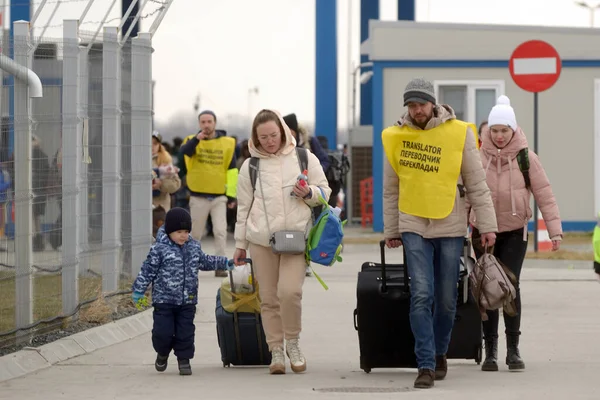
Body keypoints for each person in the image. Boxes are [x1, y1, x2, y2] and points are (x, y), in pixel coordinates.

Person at [382, 78, 498, 389]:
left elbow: (476, 182)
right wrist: (392, 228)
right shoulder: (397, 137)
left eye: (421, 104)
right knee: (422, 294)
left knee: (446, 299)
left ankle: (440, 351)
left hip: (450, 222)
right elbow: (391, 189)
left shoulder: (459, 133)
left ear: (433, 103)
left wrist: (486, 225)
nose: (416, 110)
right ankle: (425, 364)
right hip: (413, 224)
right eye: (411, 105)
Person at [232, 109, 331, 375]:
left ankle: (293, 343)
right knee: (268, 298)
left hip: (296, 240)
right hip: (261, 241)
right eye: (263, 137)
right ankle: (276, 348)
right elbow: (243, 207)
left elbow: (325, 193)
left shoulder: (303, 157)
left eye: (274, 135)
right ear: (256, 137)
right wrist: (240, 245)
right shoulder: (250, 166)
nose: (269, 141)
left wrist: (309, 192)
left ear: (284, 132)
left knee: (290, 292)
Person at [470, 95, 562, 372]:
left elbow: (545, 194)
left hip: (514, 231)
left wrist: (555, 231)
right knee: (485, 288)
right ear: (488, 131)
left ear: (513, 130)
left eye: (504, 130)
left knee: (510, 287)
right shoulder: (475, 157)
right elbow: (465, 195)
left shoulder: (526, 158)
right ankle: (490, 351)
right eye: (495, 130)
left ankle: (513, 349)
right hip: (481, 230)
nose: (499, 136)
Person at [131, 207, 235, 376]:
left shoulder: (193, 247)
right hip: (164, 301)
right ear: (170, 231)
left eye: (186, 232)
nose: (183, 236)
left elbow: (206, 261)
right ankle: (162, 352)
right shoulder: (159, 249)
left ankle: (184, 360)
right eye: (179, 231)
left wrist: (225, 263)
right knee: (162, 333)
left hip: (188, 301)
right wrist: (138, 291)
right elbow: (147, 270)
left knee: (185, 333)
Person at [180, 110, 238, 277]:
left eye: (209, 122)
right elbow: (184, 152)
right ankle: (191, 264)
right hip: (198, 196)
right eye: (203, 122)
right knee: (195, 234)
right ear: (199, 124)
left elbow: (232, 170)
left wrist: (232, 195)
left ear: (215, 123)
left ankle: (220, 265)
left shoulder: (227, 143)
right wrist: (197, 140)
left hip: (219, 196)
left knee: (220, 231)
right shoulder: (192, 141)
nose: (206, 125)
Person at [282, 113, 330, 277]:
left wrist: (313, 174)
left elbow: (324, 160)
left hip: (310, 190)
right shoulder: (282, 145)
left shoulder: (310, 142)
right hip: (292, 193)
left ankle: (307, 261)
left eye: (290, 130)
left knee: (311, 228)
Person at [152, 131, 181, 212]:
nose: (152, 146)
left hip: (160, 209)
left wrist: (161, 184)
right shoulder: (135, 160)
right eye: (149, 143)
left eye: (155, 143)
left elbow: (176, 184)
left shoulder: (165, 161)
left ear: (159, 145)